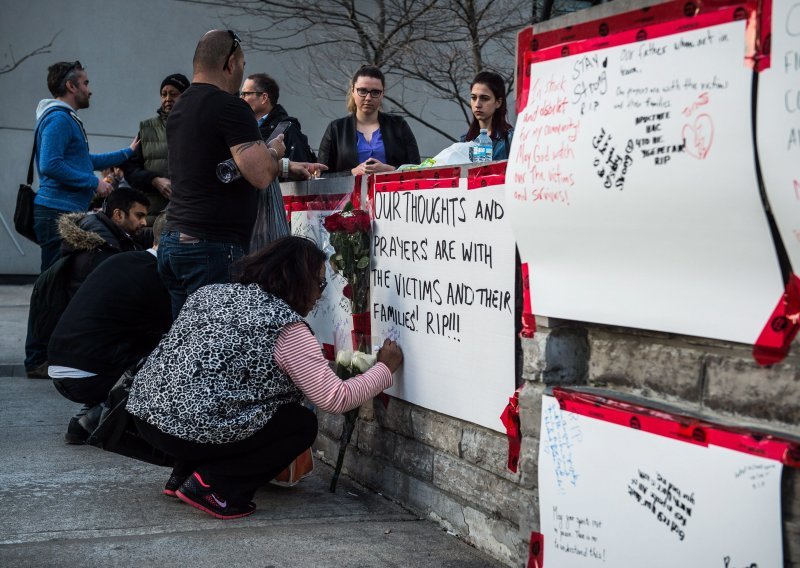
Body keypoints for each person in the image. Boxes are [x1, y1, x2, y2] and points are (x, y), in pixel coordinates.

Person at [127, 236, 403, 520]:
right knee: (298, 424)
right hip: (190, 432)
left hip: (147, 418)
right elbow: (334, 398)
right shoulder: (286, 326)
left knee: (221, 404)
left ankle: (183, 477)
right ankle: (216, 488)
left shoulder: (210, 293)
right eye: (319, 283)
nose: (320, 294)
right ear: (298, 280)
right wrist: (383, 369)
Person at [159, 30, 324, 319]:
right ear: (230, 63)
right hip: (211, 246)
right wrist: (273, 152)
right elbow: (260, 174)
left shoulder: (181, 106)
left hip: (174, 240)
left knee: (186, 344)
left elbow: (215, 165)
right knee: (217, 345)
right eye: (243, 65)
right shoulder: (230, 106)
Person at [48, 213, 172, 444]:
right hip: (88, 374)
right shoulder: (154, 274)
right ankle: (100, 417)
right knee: (173, 354)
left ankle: (85, 420)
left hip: (63, 367)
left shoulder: (125, 260)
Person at [24, 187, 150, 379]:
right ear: (118, 215)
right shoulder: (104, 250)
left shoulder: (105, 231)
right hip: (81, 347)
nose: (144, 222)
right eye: (139, 216)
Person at [33, 61, 139, 272]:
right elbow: (50, 164)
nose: (89, 91)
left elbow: (85, 161)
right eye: (85, 83)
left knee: (60, 279)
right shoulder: (59, 119)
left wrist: (127, 153)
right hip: (57, 211)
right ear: (71, 86)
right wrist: (94, 182)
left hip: (62, 210)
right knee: (53, 282)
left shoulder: (66, 119)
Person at [317, 65, 420, 175]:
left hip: (392, 192)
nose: (368, 98)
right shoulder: (336, 129)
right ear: (353, 91)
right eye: (362, 91)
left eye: (375, 92)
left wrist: (391, 170)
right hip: (348, 192)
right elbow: (321, 175)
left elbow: (418, 169)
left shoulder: (399, 125)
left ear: (382, 93)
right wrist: (352, 173)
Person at [121, 73, 190, 225]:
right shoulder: (146, 129)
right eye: (163, 94)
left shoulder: (198, 126)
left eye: (173, 94)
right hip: (153, 217)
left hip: (188, 216)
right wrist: (154, 180)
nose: (167, 99)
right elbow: (130, 169)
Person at [241, 73, 316, 166]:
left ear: (264, 98)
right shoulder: (244, 127)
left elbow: (299, 169)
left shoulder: (286, 129)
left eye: (245, 94)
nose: (241, 98)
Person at [459, 71, 514, 161]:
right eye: (473, 98)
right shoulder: (465, 140)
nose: (477, 104)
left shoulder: (510, 139)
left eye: (484, 98)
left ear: (498, 102)